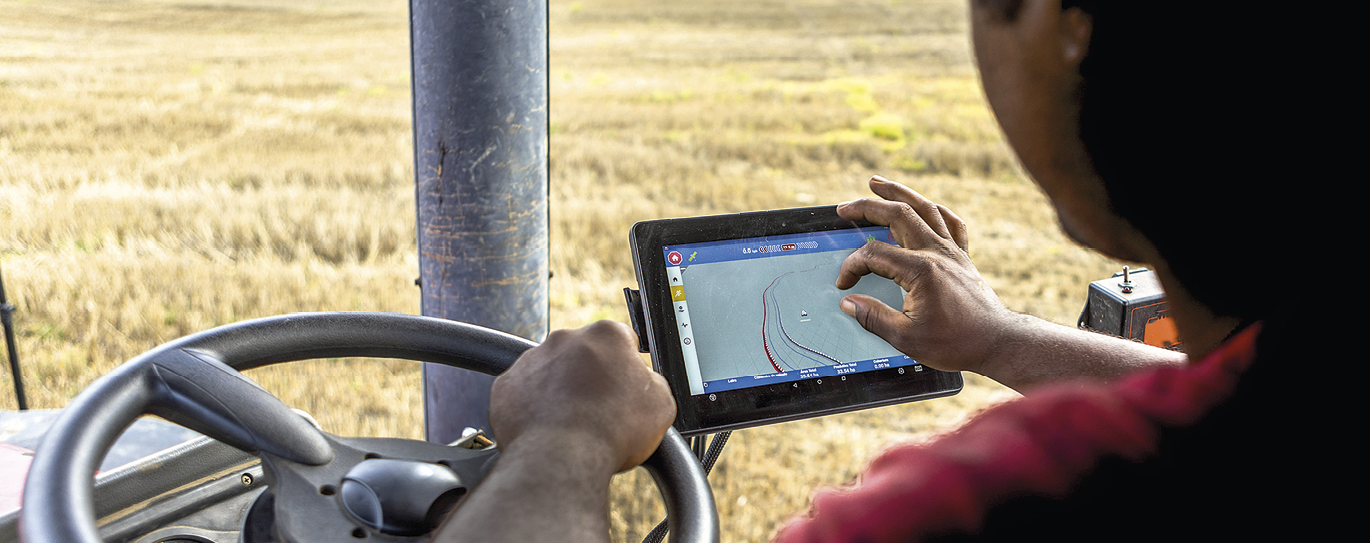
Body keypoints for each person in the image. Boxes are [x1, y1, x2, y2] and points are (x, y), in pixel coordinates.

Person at [435, 0, 1343, 541]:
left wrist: (565, 444)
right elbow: (1228, 395)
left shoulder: (982, 506)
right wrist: (1000, 340)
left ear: (1063, 24)